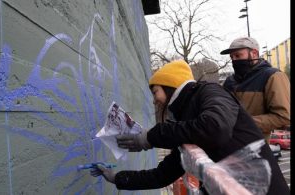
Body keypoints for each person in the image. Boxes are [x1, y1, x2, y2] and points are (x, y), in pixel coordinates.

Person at [90, 60, 289, 194]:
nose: (154, 101)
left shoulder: (210, 92)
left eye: (155, 92)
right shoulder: (186, 124)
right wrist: (117, 178)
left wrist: (151, 137)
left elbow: (215, 128)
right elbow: (162, 175)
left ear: (170, 86)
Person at [220, 37, 290, 142]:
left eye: (238, 55)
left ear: (254, 53)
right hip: (227, 145)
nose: (234, 60)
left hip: (256, 149)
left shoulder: (273, 76)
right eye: (232, 57)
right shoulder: (230, 81)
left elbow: (283, 117)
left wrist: (244, 123)